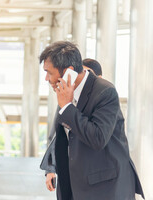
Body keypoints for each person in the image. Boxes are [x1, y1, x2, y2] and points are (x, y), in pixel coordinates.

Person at [39, 41, 144, 200]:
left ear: (69, 72)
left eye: (49, 73)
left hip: (105, 188)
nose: (46, 78)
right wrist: (51, 169)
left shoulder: (105, 92)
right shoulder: (65, 92)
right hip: (74, 184)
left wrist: (67, 106)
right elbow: (60, 138)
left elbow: (98, 138)